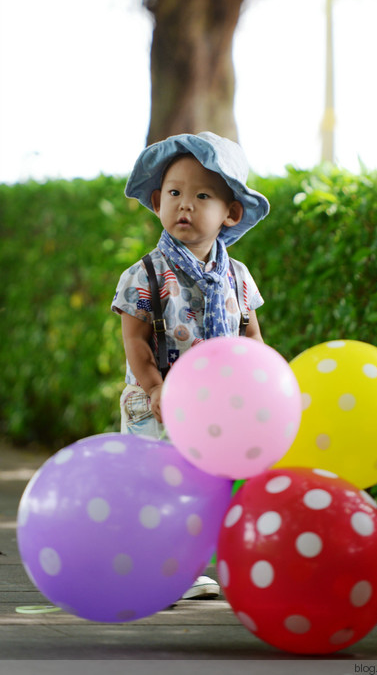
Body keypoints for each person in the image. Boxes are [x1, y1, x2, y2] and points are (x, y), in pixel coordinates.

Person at [111, 131, 269, 600]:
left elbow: (250, 336)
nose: (185, 204)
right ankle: (156, 567)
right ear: (158, 201)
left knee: (208, 486)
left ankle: (189, 565)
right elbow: (135, 338)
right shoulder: (146, 273)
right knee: (158, 484)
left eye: (202, 195)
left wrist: (263, 381)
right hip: (157, 400)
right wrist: (155, 386)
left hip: (218, 404)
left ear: (230, 213)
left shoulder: (237, 277)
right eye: (175, 193)